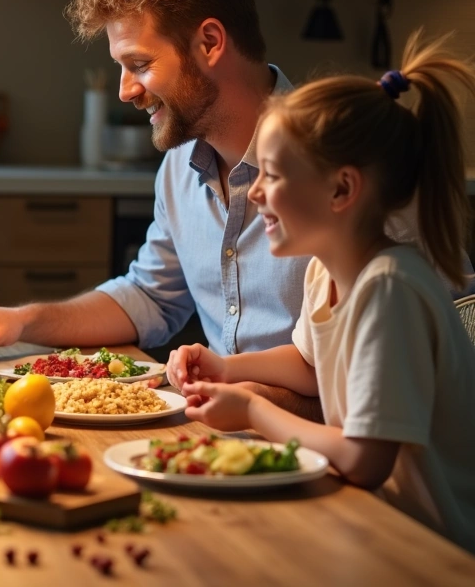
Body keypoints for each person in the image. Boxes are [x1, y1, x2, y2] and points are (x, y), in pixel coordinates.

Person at [0, 0, 469, 419]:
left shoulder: (350, 168)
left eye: (139, 63)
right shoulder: (180, 166)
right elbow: (150, 297)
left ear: (210, 42)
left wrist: (251, 402)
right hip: (233, 432)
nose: (125, 91)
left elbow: (441, 358)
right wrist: (23, 321)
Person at [170, 31, 475, 553]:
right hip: (374, 527)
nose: (256, 191)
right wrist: (228, 368)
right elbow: (312, 365)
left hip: (431, 549)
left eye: (272, 174)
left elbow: (364, 459)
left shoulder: (390, 288)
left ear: (341, 189)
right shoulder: (326, 272)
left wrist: (252, 414)